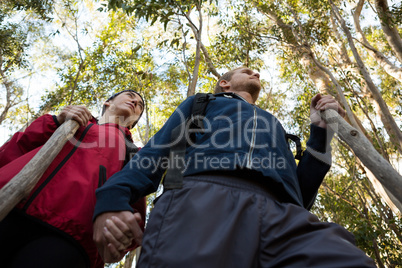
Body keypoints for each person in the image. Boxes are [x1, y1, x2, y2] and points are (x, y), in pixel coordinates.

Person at [93, 67, 376, 267]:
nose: (256, 74)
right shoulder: (201, 104)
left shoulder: (273, 124)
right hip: (200, 204)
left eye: (256, 72)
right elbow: (154, 154)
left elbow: (302, 192)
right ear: (225, 83)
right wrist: (111, 200)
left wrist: (321, 131)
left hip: (284, 215)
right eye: (246, 71)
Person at [0, 90, 146, 268]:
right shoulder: (71, 120)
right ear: (107, 102)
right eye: (131, 95)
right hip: (9, 205)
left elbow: (132, 213)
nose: (136, 102)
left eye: (140, 105)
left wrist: (117, 240)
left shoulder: (134, 153)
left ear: (134, 122)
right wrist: (56, 121)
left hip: (71, 235)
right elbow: (10, 154)